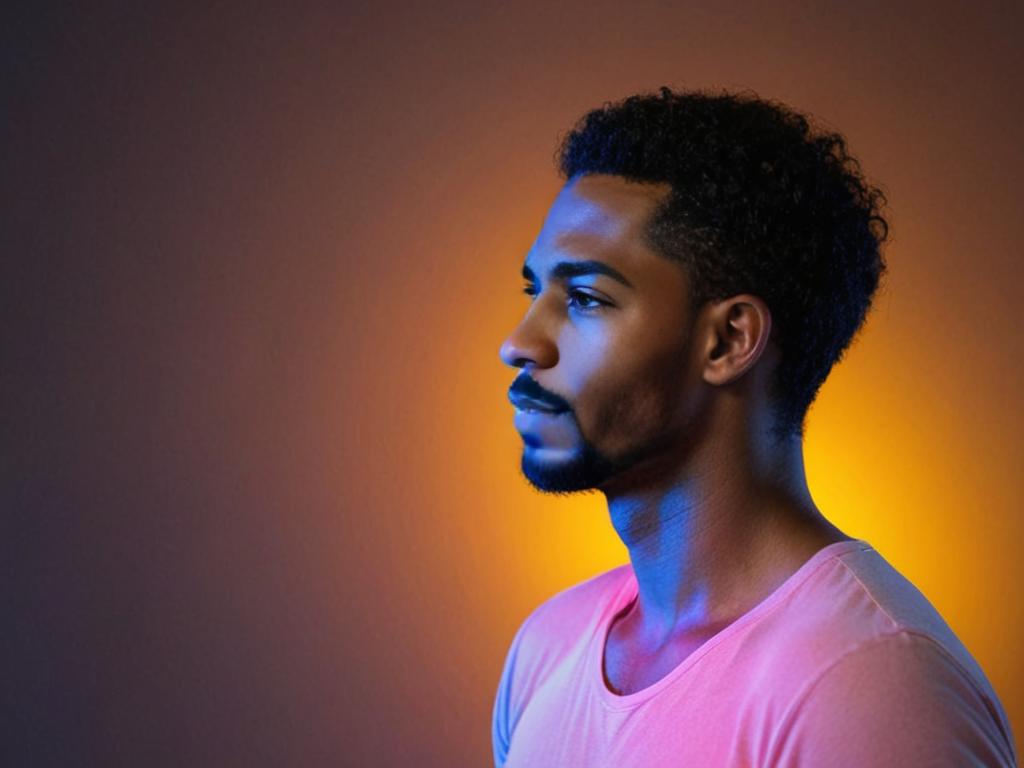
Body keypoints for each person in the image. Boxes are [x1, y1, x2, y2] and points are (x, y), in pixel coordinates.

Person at [492, 87, 1017, 767]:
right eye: (536, 293)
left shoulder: (870, 687)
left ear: (728, 341)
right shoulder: (548, 648)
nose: (521, 343)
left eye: (586, 298)